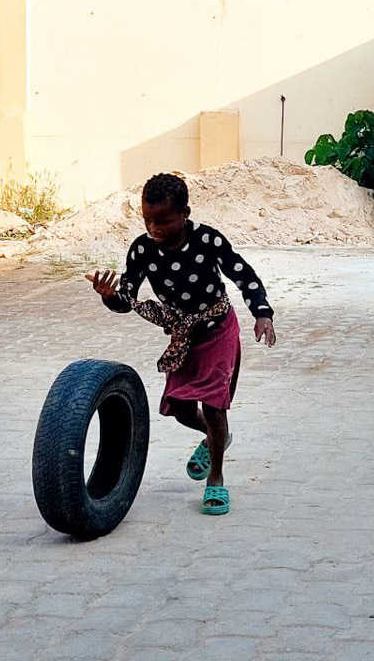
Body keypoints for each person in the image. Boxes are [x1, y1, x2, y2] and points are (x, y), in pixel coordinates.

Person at [86, 173, 277, 514]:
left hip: (217, 329)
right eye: (148, 220)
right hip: (182, 335)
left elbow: (244, 275)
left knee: (215, 405)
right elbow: (127, 298)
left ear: (185, 213)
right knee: (182, 408)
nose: (155, 229)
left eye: (164, 220)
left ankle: (216, 479)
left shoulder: (207, 240)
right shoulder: (142, 249)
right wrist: (110, 296)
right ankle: (215, 438)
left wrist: (262, 314)